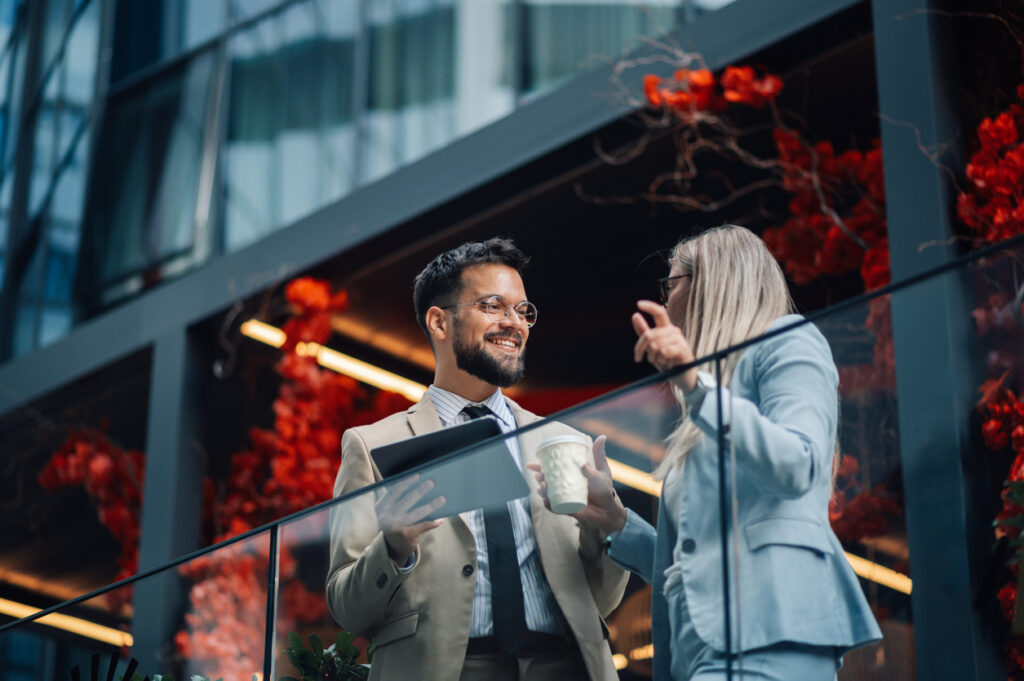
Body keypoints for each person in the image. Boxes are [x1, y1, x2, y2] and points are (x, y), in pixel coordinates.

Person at [529, 225, 882, 680]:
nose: (665, 300)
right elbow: (692, 562)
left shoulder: (786, 341)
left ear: (710, 285)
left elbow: (801, 464)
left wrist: (697, 386)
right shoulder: (707, 402)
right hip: (704, 649)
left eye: (670, 284)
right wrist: (613, 518)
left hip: (770, 635)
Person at [326, 238, 628, 681]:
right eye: (494, 306)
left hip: (566, 668)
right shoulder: (371, 445)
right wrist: (393, 548)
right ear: (439, 322)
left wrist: (607, 531)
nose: (515, 324)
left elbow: (600, 600)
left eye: (524, 311)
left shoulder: (564, 441)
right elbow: (347, 608)